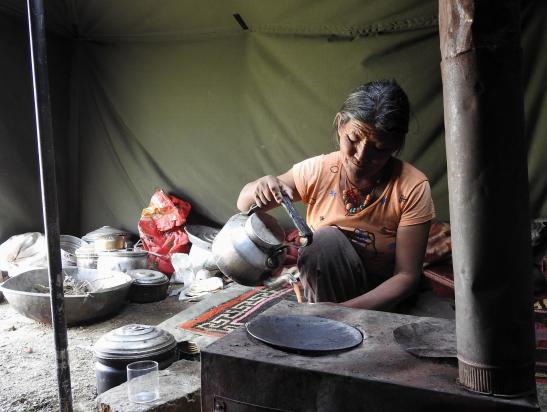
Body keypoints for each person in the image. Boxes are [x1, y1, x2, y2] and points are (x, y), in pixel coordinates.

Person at [237, 80, 435, 311]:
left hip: (383, 299)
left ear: (395, 145)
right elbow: (244, 204)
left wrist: (341, 313)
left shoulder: (412, 186)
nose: (361, 156)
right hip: (328, 293)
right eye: (352, 139)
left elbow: (407, 276)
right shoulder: (318, 170)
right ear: (341, 125)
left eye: (379, 148)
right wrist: (260, 186)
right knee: (323, 242)